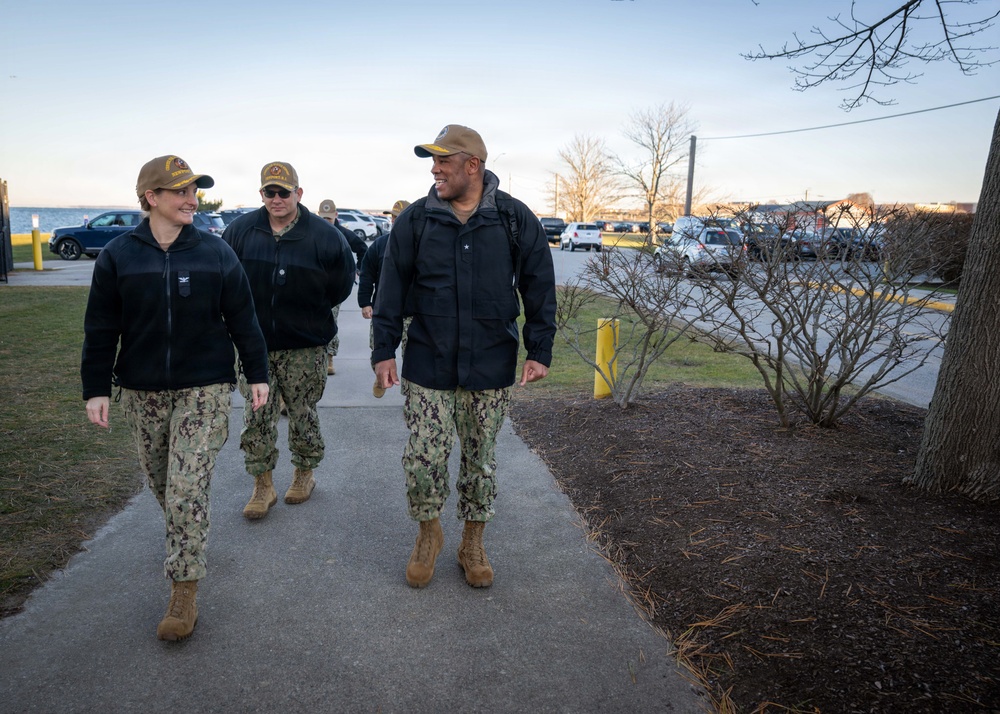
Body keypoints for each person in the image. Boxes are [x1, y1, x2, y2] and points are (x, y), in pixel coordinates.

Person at [82, 155, 270, 641]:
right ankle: (190, 539)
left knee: (186, 489)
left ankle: (183, 591)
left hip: (203, 388)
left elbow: (243, 318)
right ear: (151, 198)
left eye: (195, 191)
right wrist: (95, 388)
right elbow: (102, 328)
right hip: (142, 392)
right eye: (182, 191)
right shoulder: (119, 256)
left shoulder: (215, 252)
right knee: (165, 487)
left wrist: (257, 374)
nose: (193, 200)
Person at [373, 125, 557, 589]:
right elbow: (390, 287)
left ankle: (472, 542)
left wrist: (540, 349)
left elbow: (538, 285)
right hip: (428, 362)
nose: (434, 169)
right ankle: (429, 533)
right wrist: (383, 350)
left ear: (471, 165)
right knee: (422, 459)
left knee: (480, 461)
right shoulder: (416, 219)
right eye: (432, 162)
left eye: (443, 162)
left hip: (490, 364)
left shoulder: (513, 219)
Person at [223, 162, 356, 520]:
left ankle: (304, 473)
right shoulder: (240, 231)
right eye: (270, 192)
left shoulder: (325, 236)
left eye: (285, 192)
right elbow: (226, 284)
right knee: (257, 415)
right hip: (254, 346)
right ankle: (262, 484)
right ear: (261, 194)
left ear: (299, 193)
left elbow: (341, 285)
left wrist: (308, 312)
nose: (277, 198)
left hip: (305, 344)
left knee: (302, 413)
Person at [358, 199, 410, 398]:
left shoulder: (422, 244)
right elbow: (367, 274)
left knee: (413, 356)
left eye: (401, 217)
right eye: (395, 217)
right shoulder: (380, 245)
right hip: (385, 309)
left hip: (412, 312)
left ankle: (411, 393)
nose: (397, 221)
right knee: (378, 348)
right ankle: (380, 376)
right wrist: (365, 302)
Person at [316, 198, 368, 376]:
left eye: (329, 219)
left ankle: (329, 357)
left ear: (336, 216)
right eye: (323, 218)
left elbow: (362, 249)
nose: (326, 222)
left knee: (330, 320)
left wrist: (357, 269)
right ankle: (316, 358)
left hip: (334, 288)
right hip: (314, 286)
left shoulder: (343, 233)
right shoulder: (312, 231)